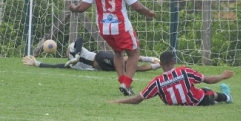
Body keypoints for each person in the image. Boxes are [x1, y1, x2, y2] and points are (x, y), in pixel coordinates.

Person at [68, 0, 156, 96]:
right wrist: (148, 12)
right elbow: (137, 7)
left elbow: (82, 8)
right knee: (134, 53)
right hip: (121, 27)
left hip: (104, 28)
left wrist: (73, 7)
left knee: (118, 53)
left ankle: (121, 79)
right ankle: (126, 83)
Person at [107, 51, 234, 106]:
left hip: (177, 104)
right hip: (199, 101)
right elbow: (209, 80)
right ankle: (227, 97)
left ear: (160, 64)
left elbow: (137, 99)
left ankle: (224, 98)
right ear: (174, 61)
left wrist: (116, 102)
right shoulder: (185, 71)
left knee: (200, 90)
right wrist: (222, 76)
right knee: (207, 90)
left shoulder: (157, 82)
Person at [22, 37, 161, 72]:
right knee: (131, 69)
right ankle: (158, 65)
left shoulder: (72, 48)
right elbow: (56, 66)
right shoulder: (70, 65)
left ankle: (149, 58)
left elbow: (79, 41)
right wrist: (37, 63)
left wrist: (76, 56)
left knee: (125, 61)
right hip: (101, 67)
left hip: (100, 57)